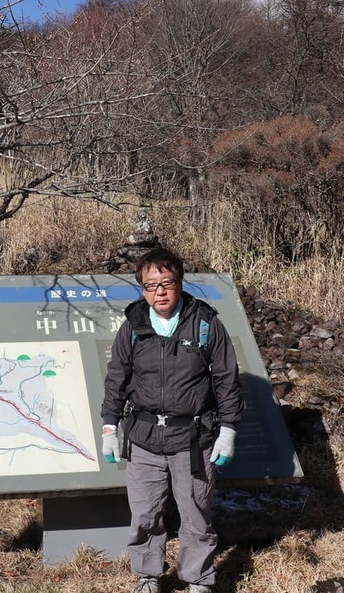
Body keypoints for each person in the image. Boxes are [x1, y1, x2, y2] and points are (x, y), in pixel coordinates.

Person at [100, 247, 244, 593]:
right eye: (150, 285)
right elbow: (117, 377)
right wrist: (109, 426)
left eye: (167, 283)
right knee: (145, 515)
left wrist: (228, 430)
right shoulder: (133, 326)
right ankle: (147, 576)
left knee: (195, 515)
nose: (159, 292)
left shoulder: (206, 324)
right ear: (141, 288)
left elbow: (226, 378)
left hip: (192, 439)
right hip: (145, 437)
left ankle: (198, 580)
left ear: (180, 283)